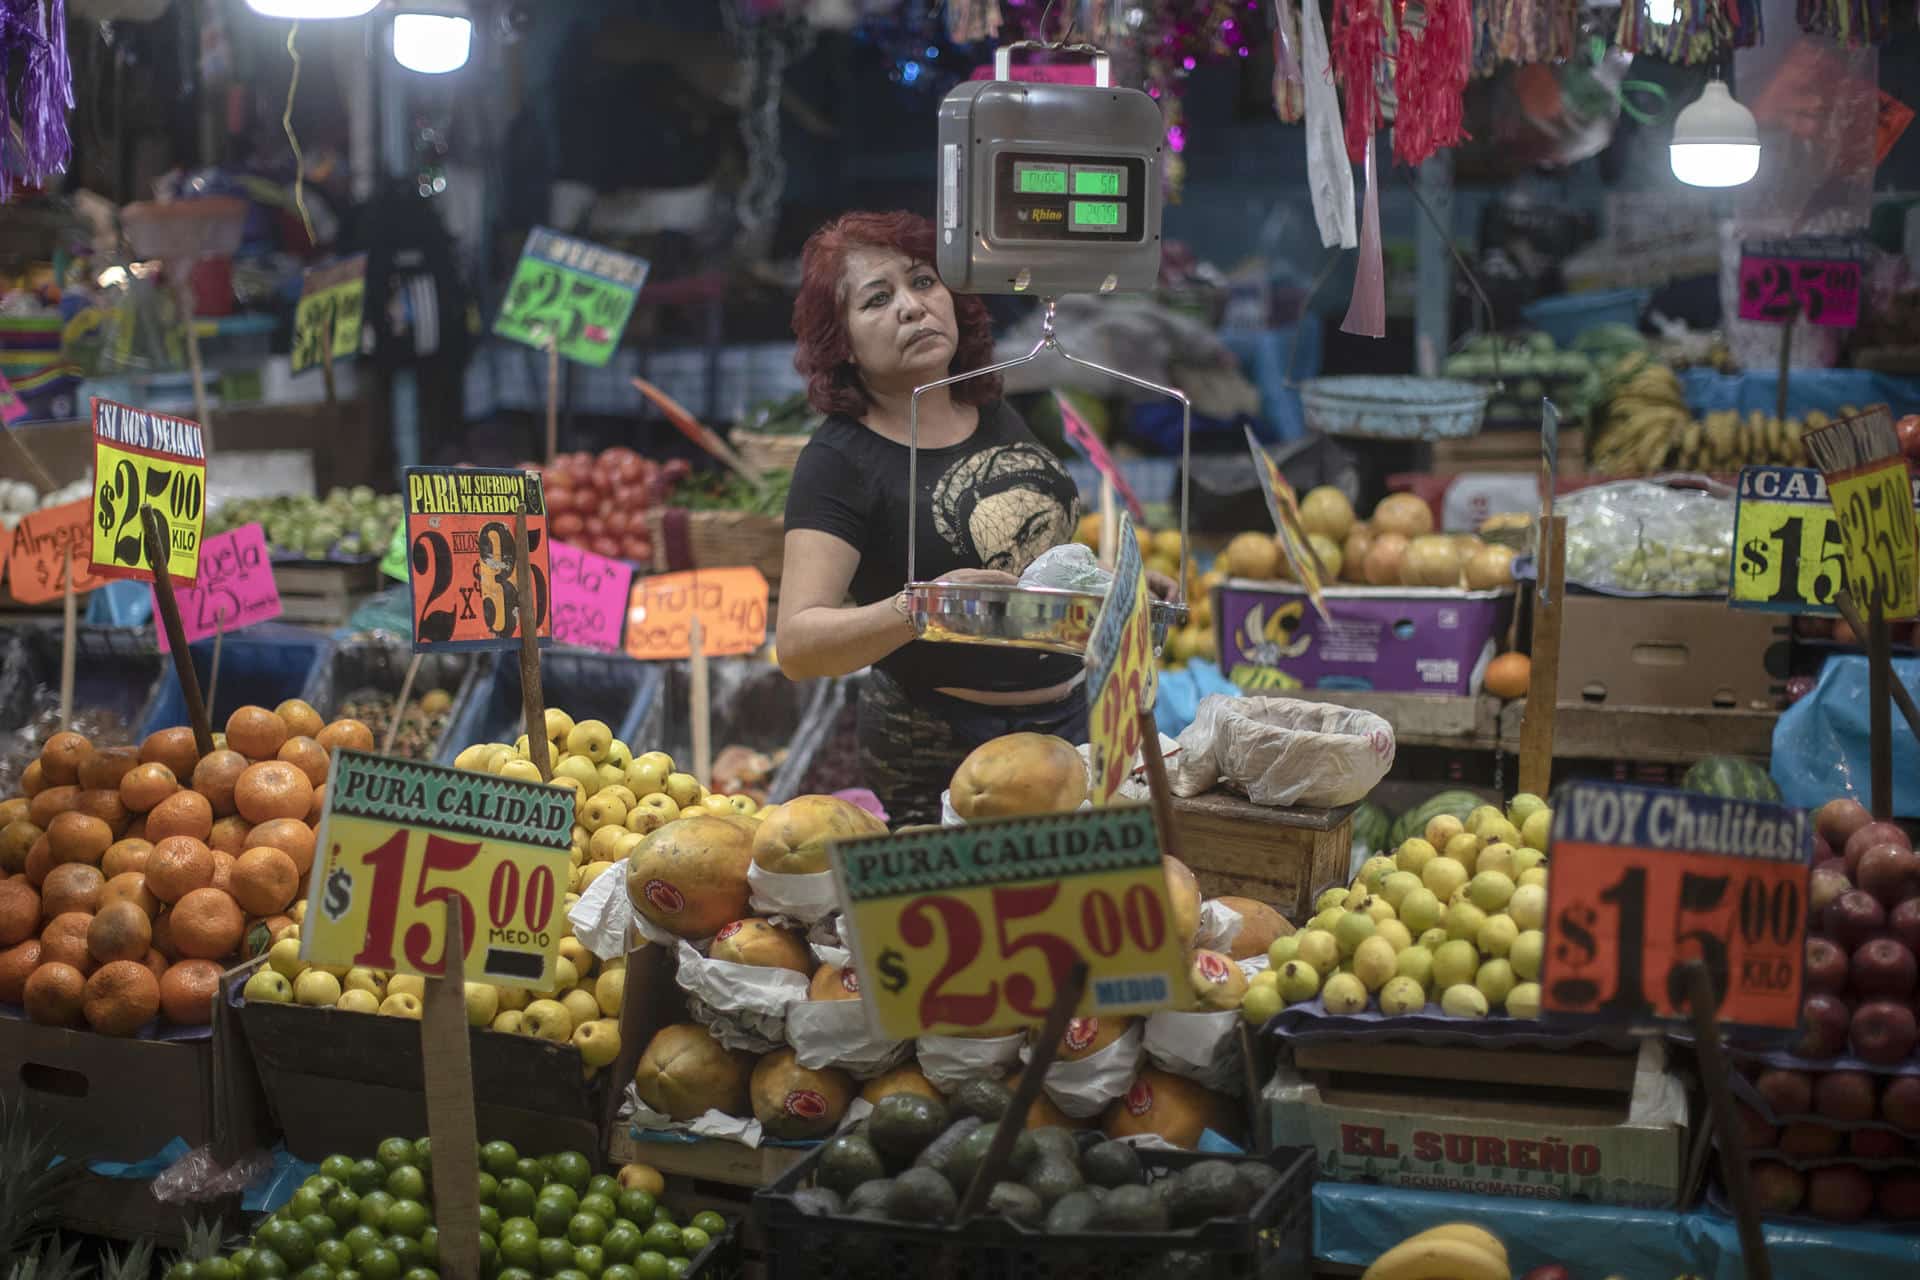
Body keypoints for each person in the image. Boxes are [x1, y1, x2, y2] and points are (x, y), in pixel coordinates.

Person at [776, 210, 1090, 828]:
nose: (912, 308)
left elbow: (1024, 557)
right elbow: (797, 645)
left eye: (923, 282)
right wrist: (922, 608)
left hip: (1073, 725)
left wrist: (1111, 585)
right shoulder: (839, 462)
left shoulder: (988, 405)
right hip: (945, 747)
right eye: (876, 299)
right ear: (841, 343)